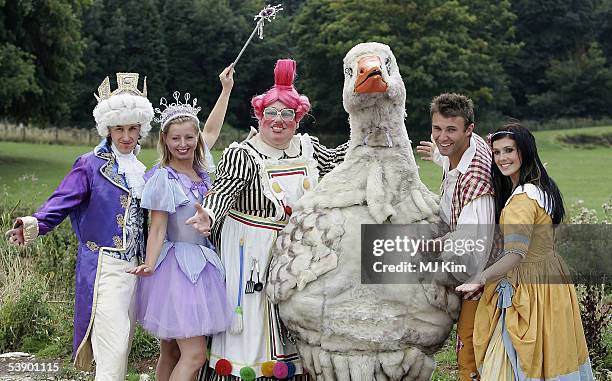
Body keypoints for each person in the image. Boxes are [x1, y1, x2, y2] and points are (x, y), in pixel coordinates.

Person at [188, 59, 348, 381]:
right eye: (271, 113)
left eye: (286, 114)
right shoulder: (244, 153)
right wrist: (208, 213)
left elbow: (342, 163)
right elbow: (223, 190)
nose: (278, 121)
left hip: (296, 254)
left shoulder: (308, 149)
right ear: (260, 116)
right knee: (254, 328)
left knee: (293, 326)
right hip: (251, 254)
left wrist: (372, 130)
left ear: (297, 118)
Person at [5, 73, 154, 380]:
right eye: (119, 128)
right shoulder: (89, 164)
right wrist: (33, 224)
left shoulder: (141, 170)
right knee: (111, 350)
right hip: (105, 267)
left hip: (136, 269)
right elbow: (62, 200)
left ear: (141, 129)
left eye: (132, 128)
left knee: (122, 346)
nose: (126, 135)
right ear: (107, 129)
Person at [456, 122, 594, 380]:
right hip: (551, 279)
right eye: (496, 152)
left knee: (514, 357)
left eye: (509, 150)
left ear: (525, 151)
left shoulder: (522, 200)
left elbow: (515, 254)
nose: (501, 158)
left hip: (529, 286)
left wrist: (481, 277)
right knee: (550, 351)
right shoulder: (543, 187)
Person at [127, 66, 235, 381]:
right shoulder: (163, 178)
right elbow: (158, 227)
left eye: (190, 137)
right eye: (176, 139)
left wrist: (226, 90)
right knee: (195, 355)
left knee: (171, 352)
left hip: (203, 263)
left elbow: (213, 129)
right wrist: (148, 264)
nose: (183, 144)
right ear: (165, 139)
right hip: (177, 270)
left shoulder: (202, 170)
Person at [416, 93, 496, 381]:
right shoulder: (465, 149)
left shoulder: (476, 182)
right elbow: (453, 156)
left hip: (485, 277)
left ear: (469, 129)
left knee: (469, 349)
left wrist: (428, 248)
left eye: (451, 130)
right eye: (437, 129)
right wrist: (439, 155)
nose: (442, 137)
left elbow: (473, 244)